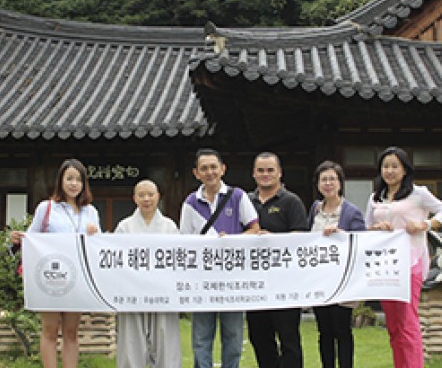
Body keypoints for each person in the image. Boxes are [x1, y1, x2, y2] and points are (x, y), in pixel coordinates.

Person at [365, 147, 442, 368]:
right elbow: (366, 227)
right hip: (385, 265)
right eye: (385, 166)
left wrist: (425, 225)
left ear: (405, 169)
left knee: (408, 321)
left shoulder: (418, 193)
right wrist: (377, 228)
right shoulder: (375, 198)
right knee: (394, 324)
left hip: (411, 262)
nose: (390, 171)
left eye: (395, 166)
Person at [10, 159, 101, 368]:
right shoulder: (47, 208)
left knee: (71, 332)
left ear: (84, 184)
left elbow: (98, 246)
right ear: (60, 181)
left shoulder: (91, 211)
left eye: (78, 179)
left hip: (78, 278)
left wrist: (94, 234)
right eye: (69, 178)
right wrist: (19, 238)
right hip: (51, 277)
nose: (73, 184)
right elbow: (32, 238)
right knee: (50, 330)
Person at [180, 148, 261, 368]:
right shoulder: (190, 203)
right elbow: (184, 242)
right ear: (196, 173)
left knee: (233, 336)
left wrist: (233, 239)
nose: (209, 172)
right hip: (202, 279)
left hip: (232, 278)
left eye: (213, 167)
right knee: (201, 337)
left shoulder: (237, 196)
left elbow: (255, 229)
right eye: (204, 168)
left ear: (223, 169)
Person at [246, 152, 308, 368]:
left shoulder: (292, 201)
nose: (265, 175)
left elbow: (302, 238)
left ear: (280, 173)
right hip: (254, 286)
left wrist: (274, 240)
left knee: (289, 340)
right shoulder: (245, 201)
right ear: (253, 173)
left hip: (285, 284)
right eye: (261, 170)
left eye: (270, 170)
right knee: (260, 339)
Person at [113, 179, 182, 368]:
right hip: (132, 292)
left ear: (158, 196)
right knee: (131, 340)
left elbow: (177, 259)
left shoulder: (169, 226)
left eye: (150, 194)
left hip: (162, 292)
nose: (146, 199)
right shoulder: (124, 226)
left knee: (165, 338)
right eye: (141, 195)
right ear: (134, 198)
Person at [306, 160, 365, 368]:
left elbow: (361, 243)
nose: (328, 183)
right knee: (324, 331)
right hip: (320, 281)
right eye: (324, 179)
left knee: (342, 330)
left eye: (332, 179)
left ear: (340, 183)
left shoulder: (351, 212)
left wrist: (342, 236)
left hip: (343, 280)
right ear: (318, 184)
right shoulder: (314, 209)